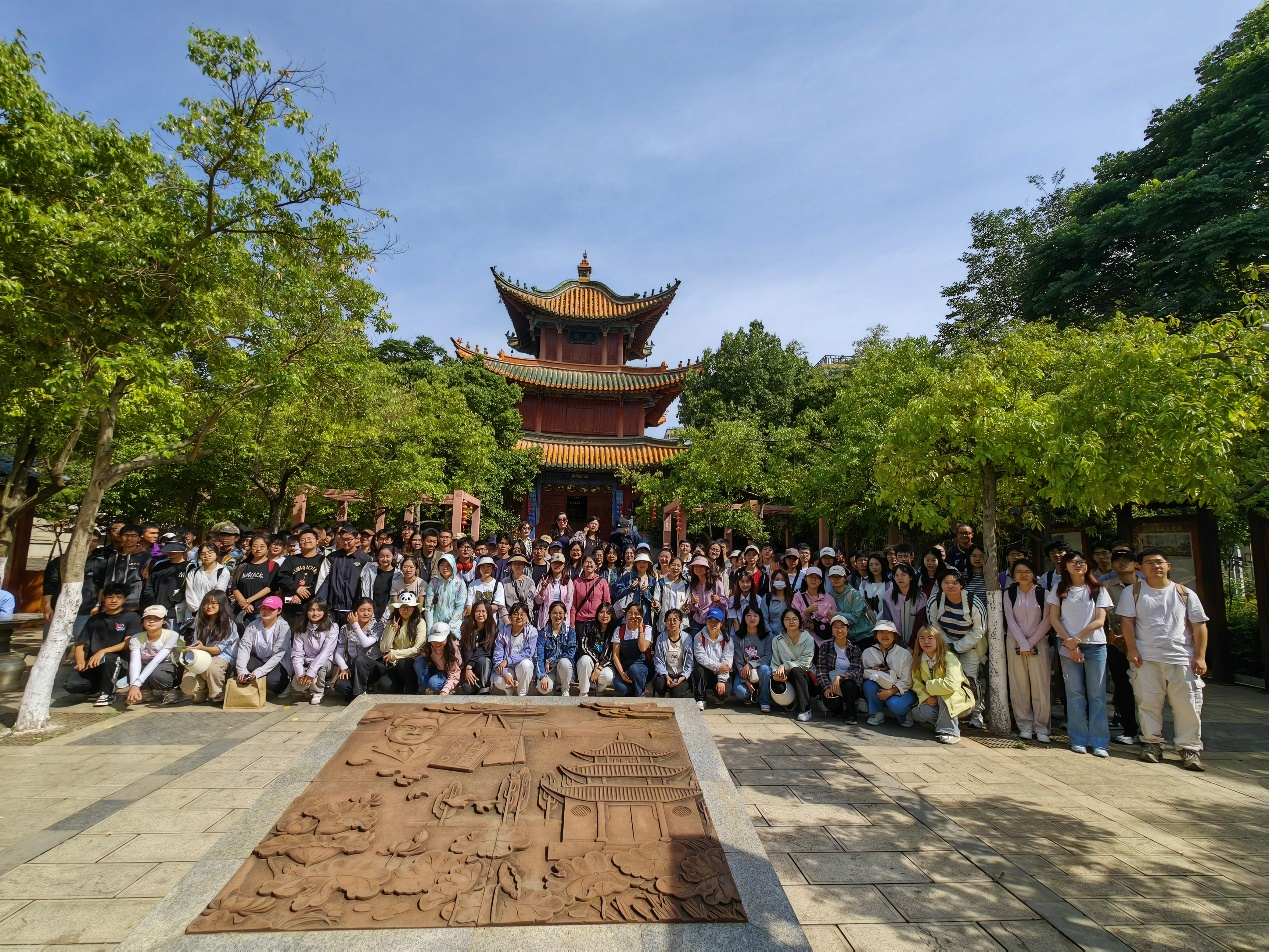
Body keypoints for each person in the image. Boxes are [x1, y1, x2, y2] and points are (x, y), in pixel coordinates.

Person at [1118, 549, 1210, 771]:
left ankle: (1189, 748)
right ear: (1140, 567)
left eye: (1159, 562)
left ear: (1168, 566)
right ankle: (1152, 743)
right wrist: (1132, 650)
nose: (1155, 566)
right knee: (1148, 703)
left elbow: (1199, 625)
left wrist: (1200, 656)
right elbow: (1127, 622)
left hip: (1182, 657)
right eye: (1149, 563)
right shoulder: (1133, 592)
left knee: (1188, 705)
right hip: (1146, 657)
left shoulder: (1185, 593)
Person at [1047, 551, 1114, 757]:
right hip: (1067, 645)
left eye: (1082, 561)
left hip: (1095, 646)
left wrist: (1077, 639)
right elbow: (1054, 619)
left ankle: (1100, 742)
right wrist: (1071, 644)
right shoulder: (1059, 589)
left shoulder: (1098, 589)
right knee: (1074, 694)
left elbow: (1100, 620)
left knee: (1097, 695)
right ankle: (1078, 739)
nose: (1078, 565)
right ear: (1065, 566)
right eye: (1073, 562)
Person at [926, 570, 986, 730]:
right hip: (945, 645)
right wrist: (948, 645)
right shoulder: (935, 600)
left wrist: (958, 647)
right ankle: (952, 713)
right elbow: (933, 625)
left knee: (970, 679)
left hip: (971, 645)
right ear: (940, 584)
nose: (950, 586)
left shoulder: (973, 602)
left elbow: (979, 630)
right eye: (946, 582)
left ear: (962, 585)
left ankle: (976, 713)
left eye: (954, 582)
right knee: (947, 678)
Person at [66, 581, 140, 706]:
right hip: (94, 662)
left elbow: (128, 643)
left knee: (109, 658)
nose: (114, 600)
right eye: (110, 597)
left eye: (119, 597)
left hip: (119, 662)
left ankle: (108, 693)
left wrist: (103, 651)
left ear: (125, 599)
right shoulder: (95, 619)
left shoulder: (132, 617)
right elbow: (80, 644)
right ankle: (98, 688)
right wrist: (80, 662)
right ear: (104, 598)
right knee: (71, 685)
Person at [1003, 559, 1051, 742]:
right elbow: (1010, 619)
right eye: (1019, 572)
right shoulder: (1009, 593)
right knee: (1019, 686)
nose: (1023, 575)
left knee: (1040, 686)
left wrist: (1030, 642)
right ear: (1013, 575)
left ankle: (1041, 727)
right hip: (1015, 644)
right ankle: (1024, 725)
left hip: (1038, 643)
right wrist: (1023, 643)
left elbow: (1047, 620)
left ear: (1034, 574)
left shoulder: (1043, 593)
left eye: (1027, 572)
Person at [1101, 547, 1143, 746]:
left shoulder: (1147, 585)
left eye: (1127, 559)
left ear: (1136, 564)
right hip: (1117, 643)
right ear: (1112, 565)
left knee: (1148, 688)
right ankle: (1129, 729)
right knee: (1123, 686)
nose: (1122, 563)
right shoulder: (1105, 587)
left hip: (1146, 641)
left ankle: (1150, 731)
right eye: (1117, 560)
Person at [910, 625, 974, 744]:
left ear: (938, 640)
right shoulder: (917, 660)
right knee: (924, 711)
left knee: (942, 694)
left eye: (930, 638)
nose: (926, 641)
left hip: (959, 700)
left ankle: (950, 732)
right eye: (922, 638)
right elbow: (917, 684)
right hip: (935, 702)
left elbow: (951, 684)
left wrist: (929, 687)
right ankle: (946, 722)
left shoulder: (949, 657)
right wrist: (926, 697)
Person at [178, 590, 240, 705]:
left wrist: (202, 648)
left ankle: (217, 694)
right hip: (201, 656)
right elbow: (196, 643)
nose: (209, 606)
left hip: (221, 657)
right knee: (188, 685)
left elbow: (218, 649)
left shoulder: (229, 624)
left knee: (212, 668)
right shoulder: (199, 623)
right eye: (206, 603)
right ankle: (202, 690)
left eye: (213, 603)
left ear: (221, 605)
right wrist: (190, 649)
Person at [235, 596, 293, 698]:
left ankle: (283, 686)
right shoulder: (253, 625)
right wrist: (242, 671)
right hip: (259, 659)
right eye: (263, 608)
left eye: (271, 609)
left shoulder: (284, 627)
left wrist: (259, 672)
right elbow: (244, 647)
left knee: (272, 681)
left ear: (279, 611)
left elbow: (278, 654)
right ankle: (254, 687)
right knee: (242, 665)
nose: (266, 611)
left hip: (278, 663)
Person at [860, 620, 916, 726]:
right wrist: (873, 670)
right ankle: (876, 713)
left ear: (894, 636)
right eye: (881, 632)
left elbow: (907, 681)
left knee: (895, 704)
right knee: (869, 685)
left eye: (888, 632)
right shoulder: (868, 652)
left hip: (902, 690)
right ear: (876, 635)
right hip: (879, 686)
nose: (884, 635)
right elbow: (861, 673)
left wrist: (891, 691)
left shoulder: (904, 654)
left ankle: (904, 714)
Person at [124, 605, 181, 706]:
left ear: (164, 621)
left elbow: (156, 661)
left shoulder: (172, 635)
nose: (151, 621)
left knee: (156, 673)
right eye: (148, 618)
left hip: (166, 667)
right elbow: (135, 662)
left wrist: (136, 684)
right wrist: (133, 685)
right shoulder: (135, 638)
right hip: (146, 665)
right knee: (132, 670)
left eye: (156, 618)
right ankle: (144, 693)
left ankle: (169, 691)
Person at [290, 599, 339, 705]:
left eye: (319, 610)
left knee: (319, 668)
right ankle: (308, 687)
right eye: (311, 610)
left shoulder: (332, 627)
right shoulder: (301, 627)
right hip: (306, 662)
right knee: (298, 685)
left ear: (324, 611)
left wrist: (311, 672)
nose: (315, 613)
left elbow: (325, 653)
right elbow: (297, 653)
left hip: (326, 663)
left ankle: (318, 692)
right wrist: (300, 674)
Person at [815, 615, 862, 722]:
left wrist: (840, 677)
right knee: (831, 702)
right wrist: (827, 687)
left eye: (842, 627)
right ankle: (838, 708)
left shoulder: (855, 649)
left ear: (848, 630)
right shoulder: (825, 647)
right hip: (831, 684)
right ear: (831, 630)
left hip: (850, 686)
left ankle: (851, 713)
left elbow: (857, 671)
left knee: (848, 684)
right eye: (835, 627)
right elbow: (821, 671)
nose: (839, 630)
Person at [771, 607, 815, 721]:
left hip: (804, 676)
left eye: (794, 619)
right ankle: (791, 702)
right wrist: (775, 675)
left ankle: (805, 709)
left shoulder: (808, 638)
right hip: (785, 675)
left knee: (796, 671)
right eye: (787, 619)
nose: (791, 621)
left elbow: (805, 663)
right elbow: (775, 663)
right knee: (777, 686)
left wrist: (785, 665)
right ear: (783, 622)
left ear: (799, 621)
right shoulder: (776, 640)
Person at [320, 525, 371, 623]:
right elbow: (322, 580)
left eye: (349, 539)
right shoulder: (332, 557)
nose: (345, 542)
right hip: (333, 607)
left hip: (354, 609)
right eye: (342, 539)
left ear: (356, 538)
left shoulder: (365, 559)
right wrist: (321, 602)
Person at [336, 597, 382, 699]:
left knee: (360, 659)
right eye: (362, 610)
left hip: (373, 668)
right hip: (354, 668)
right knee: (340, 686)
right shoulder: (345, 628)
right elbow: (339, 652)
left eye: (369, 610)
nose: (366, 613)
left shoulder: (377, 626)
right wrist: (344, 668)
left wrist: (355, 625)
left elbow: (366, 643)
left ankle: (358, 694)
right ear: (355, 612)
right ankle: (361, 690)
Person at [731, 604, 773, 711]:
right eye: (748, 615)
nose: (752, 618)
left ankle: (764, 701)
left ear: (760, 618)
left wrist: (750, 664)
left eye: (755, 616)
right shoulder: (738, 637)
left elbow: (768, 657)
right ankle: (752, 693)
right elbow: (738, 661)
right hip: (745, 673)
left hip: (761, 671)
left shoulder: (767, 636)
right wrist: (746, 681)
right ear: (744, 618)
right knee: (740, 692)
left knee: (765, 669)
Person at [230, 535, 280, 625]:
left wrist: (248, 601)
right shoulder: (242, 565)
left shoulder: (273, 565)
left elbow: (270, 587)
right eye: (255, 546)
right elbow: (235, 586)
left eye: (262, 546)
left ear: (268, 548)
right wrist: (244, 603)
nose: (258, 549)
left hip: (262, 610)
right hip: (240, 610)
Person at [691, 606, 732, 710]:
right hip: (706, 671)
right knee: (698, 669)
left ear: (721, 624)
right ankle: (700, 699)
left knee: (724, 693)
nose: (713, 624)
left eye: (716, 622)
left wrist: (721, 680)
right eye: (710, 621)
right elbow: (701, 657)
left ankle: (717, 695)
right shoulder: (699, 636)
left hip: (720, 672)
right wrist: (718, 666)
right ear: (706, 622)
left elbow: (727, 660)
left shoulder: (728, 639)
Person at [493, 602, 538, 696]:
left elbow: (528, 652)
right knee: (498, 680)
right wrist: (505, 673)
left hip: (521, 666)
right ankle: (508, 688)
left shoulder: (532, 631)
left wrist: (508, 660)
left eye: (522, 614)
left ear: (527, 617)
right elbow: (497, 656)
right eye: (515, 614)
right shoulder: (503, 632)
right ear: (510, 617)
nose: (519, 617)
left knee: (527, 664)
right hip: (508, 668)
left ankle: (522, 694)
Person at [610, 601, 653, 697]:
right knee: (619, 688)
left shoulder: (647, 629)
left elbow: (643, 648)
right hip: (626, 668)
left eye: (636, 613)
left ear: (641, 616)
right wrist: (622, 673)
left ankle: (640, 694)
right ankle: (633, 688)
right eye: (630, 612)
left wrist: (640, 628)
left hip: (642, 667)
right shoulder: (619, 630)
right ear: (625, 615)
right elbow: (615, 655)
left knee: (634, 669)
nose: (633, 616)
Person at [141, 540, 189, 624]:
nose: (171, 552)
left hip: (176, 612)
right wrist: (152, 604)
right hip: (155, 610)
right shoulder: (160, 566)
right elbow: (149, 585)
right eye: (168, 549)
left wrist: (174, 601)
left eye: (174, 550)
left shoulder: (189, 567)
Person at [535, 600, 577, 696]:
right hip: (548, 670)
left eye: (560, 613)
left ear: (565, 614)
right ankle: (551, 687)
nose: (557, 616)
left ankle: (565, 690)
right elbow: (538, 657)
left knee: (565, 662)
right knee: (543, 689)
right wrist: (542, 676)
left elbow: (571, 653)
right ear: (550, 614)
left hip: (563, 669)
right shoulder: (543, 633)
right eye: (554, 613)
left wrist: (552, 660)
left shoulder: (570, 631)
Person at [652, 608, 693, 698]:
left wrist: (683, 677)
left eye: (675, 620)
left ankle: (675, 692)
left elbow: (689, 662)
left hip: (681, 675)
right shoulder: (661, 638)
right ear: (665, 622)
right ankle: (663, 694)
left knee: (677, 694)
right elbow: (658, 660)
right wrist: (666, 676)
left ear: (680, 622)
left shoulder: (687, 638)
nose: (672, 623)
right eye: (669, 620)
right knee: (658, 684)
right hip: (666, 674)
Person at [577, 601, 616, 696]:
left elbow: (612, 653)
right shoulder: (588, 627)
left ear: (612, 615)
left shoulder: (614, 630)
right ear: (597, 613)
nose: (604, 615)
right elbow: (584, 646)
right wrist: (596, 661)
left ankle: (600, 689)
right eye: (601, 612)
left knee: (607, 676)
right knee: (584, 660)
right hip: (591, 661)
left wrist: (599, 667)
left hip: (606, 664)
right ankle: (583, 692)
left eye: (608, 613)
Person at [424, 553, 467, 632]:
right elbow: (429, 606)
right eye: (442, 565)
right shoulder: (434, 582)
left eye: (448, 565)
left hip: (455, 625)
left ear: (453, 566)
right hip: (436, 623)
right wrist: (430, 627)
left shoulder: (459, 583)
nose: (445, 568)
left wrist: (451, 626)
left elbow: (460, 606)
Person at [415, 622, 462, 695]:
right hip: (436, 667)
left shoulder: (453, 649)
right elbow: (424, 655)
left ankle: (448, 687)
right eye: (434, 639)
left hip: (447, 672)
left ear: (447, 638)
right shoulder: (429, 645)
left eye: (440, 640)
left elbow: (454, 672)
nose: (437, 643)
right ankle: (426, 690)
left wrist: (445, 691)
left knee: (434, 684)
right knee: (419, 661)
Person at [652, 556, 691, 635]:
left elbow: (688, 603)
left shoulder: (686, 584)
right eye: (673, 565)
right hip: (665, 623)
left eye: (678, 566)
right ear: (669, 566)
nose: (676, 568)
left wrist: (685, 608)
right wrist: (656, 605)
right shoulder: (661, 583)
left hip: (682, 624)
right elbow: (657, 600)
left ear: (682, 569)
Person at [535, 553, 574, 629]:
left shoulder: (568, 580)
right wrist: (543, 589)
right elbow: (538, 601)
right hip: (546, 616)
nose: (557, 565)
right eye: (554, 563)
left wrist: (563, 614)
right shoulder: (544, 579)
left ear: (563, 565)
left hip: (562, 617)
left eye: (560, 563)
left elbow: (569, 600)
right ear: (551, 564)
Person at [465, 556, 506, 621]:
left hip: (491, 621)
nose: (485, 569)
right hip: (475, 620)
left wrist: (479, 610)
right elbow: (469, 605)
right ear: (479, 569)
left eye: (488, 566)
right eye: (482, 566)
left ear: (493, 568)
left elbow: (496, 606)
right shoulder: (472, 585)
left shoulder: (498, 585)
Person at [761, 568, 794, 637]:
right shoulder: (767, 597)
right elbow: (764, 619)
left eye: (782, 580)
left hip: (790, 636)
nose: (780, 582)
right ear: (772, 581)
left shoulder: (792, 597)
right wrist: (771, 636)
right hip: (772, 637)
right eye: (777, 579)